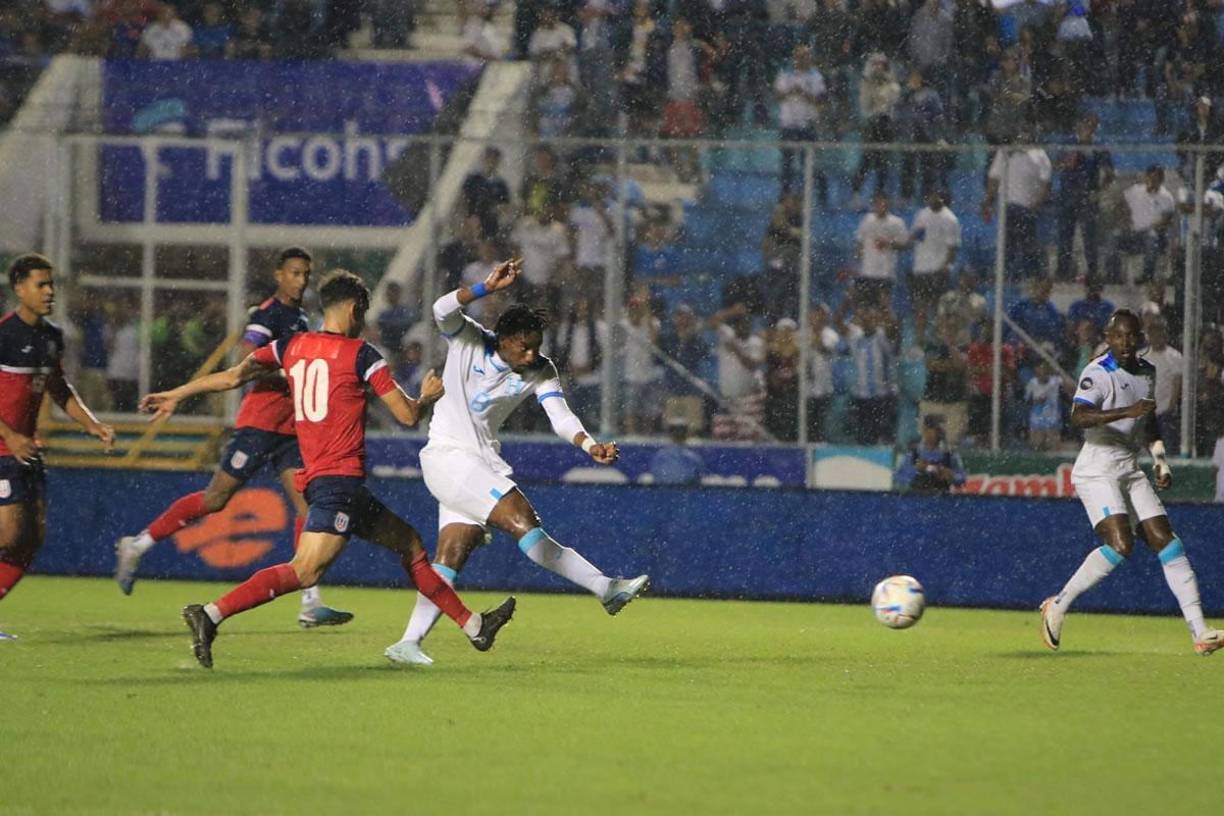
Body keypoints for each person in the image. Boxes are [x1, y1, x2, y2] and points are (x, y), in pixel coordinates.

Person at [142, 271, 516, 668]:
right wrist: (425, 398)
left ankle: (475, 626)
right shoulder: (362, 355)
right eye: (363, 313)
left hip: (325, 479)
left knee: (410, 545)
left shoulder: (290, 346)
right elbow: (407, 416)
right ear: (355, 309)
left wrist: (178, 393)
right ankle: (211, 613)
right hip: (339, 483)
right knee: (305, 571)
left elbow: (233, 376)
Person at [384, 260, 649, 666]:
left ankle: (408, 642)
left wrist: (588, 444)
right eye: (523, 346)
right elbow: (440, 309)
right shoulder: (469, 338)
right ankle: (604, 587)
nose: (531, 353)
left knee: (451, 556)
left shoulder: (540, 370)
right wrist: (483, 288)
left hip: (476, 466)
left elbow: (560, 416)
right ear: (503, 339)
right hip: (448, 458)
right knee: (523, 519)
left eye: (536, 346)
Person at [114, 249, 351, 628]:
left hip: (290, 431)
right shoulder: (268, 314)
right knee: (216, 499)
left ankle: (310, 601)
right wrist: (289, 372)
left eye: (306, 274)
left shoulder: (301, 318)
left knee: (307, 507)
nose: (301, 280)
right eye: (294, 273)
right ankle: (137, 544)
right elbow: (246, 359)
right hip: (259, 425)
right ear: (278, 275)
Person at [1040, 310, 1223, 656]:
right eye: (1118, 336)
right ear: (1108, 338)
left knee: (1168, 543)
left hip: (1129, 466)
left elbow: (1148, 420)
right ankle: (1058, 604)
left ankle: (1200, 633)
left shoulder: (1146, 371)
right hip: (1097, 467)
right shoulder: (1097, 371)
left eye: (1131, 336)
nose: (1124, 342)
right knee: (1121, 544)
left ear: (1139, 339)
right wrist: (1125, 412)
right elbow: (1079, 416)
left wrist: (1159, 459)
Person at [0, 254, 115, 640]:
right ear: (19, 288)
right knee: (9, 537)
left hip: (25, 450)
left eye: (51, 284)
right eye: (41, 284)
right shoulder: (4, 335)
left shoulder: (51, 337)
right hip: (3, 449)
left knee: (31, 540)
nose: (50, 291)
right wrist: (10, 435)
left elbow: (59, 388)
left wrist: (91, 423)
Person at [1054, 114, 1113, 281]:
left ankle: (1092, 272)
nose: (1088, 128)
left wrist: (1099, 190)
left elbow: (1109, 173)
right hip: (1067, 195)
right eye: (1086, 124)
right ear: (1079, 125)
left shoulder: (1099, 146)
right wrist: (1067, 161)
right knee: (1065, 235)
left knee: (1089, 237)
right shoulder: (1068, 143)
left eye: (1092, 125)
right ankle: (1063, 271)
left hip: (1087, 197)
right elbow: (1057, 165)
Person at [774, 43, 827, 198]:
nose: (802, 59)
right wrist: (790, 91)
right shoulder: (785, 74)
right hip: (788, 124)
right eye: (799, 56)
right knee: (786, 165)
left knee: (809, 164)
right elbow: (777, 96)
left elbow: (820, 100)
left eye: (805, 56)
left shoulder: (816, 76)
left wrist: (803, 93)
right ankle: (784, 196)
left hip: (807, 125)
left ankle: (809, 195)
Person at [1113, 166, 1176, 284]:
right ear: (1146, 177)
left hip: (1152, 234)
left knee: (1152, 237)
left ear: (1161, 180)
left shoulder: (1166, 197)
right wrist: (1125, 219)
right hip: (1132, 232)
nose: (1152, 182)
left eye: (1155, 179)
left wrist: (1150, 227)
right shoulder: (1136, 190)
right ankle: (1113, 275)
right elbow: (1120, 204)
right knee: (1114, 236)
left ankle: (1147, 275)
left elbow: (1166, 220)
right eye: (1150, 178)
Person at [909, 189, 961, 331]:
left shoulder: (950, 219)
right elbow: (914, 236)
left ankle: (939, 338)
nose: (931, 200)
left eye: (935, 197)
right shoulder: (922, 214)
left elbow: (953, 248)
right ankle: (920, 339)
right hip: (921, 269)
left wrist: (945, 266)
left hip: (937, 270)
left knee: (938, 308)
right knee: (920, 307)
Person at [854, 191, 909, 310]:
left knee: (883, 306)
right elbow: (860, 242)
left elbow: (905, 244)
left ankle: (887, 322)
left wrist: (888, 244)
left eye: (883, 203)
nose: (880, 206)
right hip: (867, 271)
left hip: (885, 272)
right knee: (864, 307)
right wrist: (858, 260)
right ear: (874, 204)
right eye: (877, 203)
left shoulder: (896, 222)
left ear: (888, 204)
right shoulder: (867, 220)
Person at [1141, 316, 1183, 456]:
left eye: (1160, 332)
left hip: (1165, 412)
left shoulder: (1175, 356)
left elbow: (1177, 383)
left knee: (1167, 449)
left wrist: (1170, 407)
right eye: (1153, 333)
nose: (1157, 337)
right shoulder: (1142, 356)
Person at [894, 415, 965, 494]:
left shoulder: (949, 455)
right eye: (936, 430)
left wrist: (951, 476)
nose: (939, 434)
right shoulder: (914, 454)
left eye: (941, 430)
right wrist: (916, 471)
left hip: (942, 496)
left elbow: (962, 477)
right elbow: (898, 477)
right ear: (925, 430)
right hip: (917, 496)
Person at [649, 417, 705, 486]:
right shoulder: (694, 459)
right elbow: (699, 481)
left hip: (663, 492)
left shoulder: (659, 457)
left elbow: (655, 478)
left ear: (669, 434)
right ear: (687, 434)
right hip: (685, 492)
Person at [1024, 356, 1063, 450]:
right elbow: (1026, 400)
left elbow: (1071, 388)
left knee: (1053, 446)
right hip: (1037, 420)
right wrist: (1036, 400)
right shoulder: (1032, 383)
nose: (1042, 372)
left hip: (1052, 419)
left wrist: (1060, 373)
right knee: (1036, 445)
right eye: (1039, 369)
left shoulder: (1056, 381)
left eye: (1044, 369)